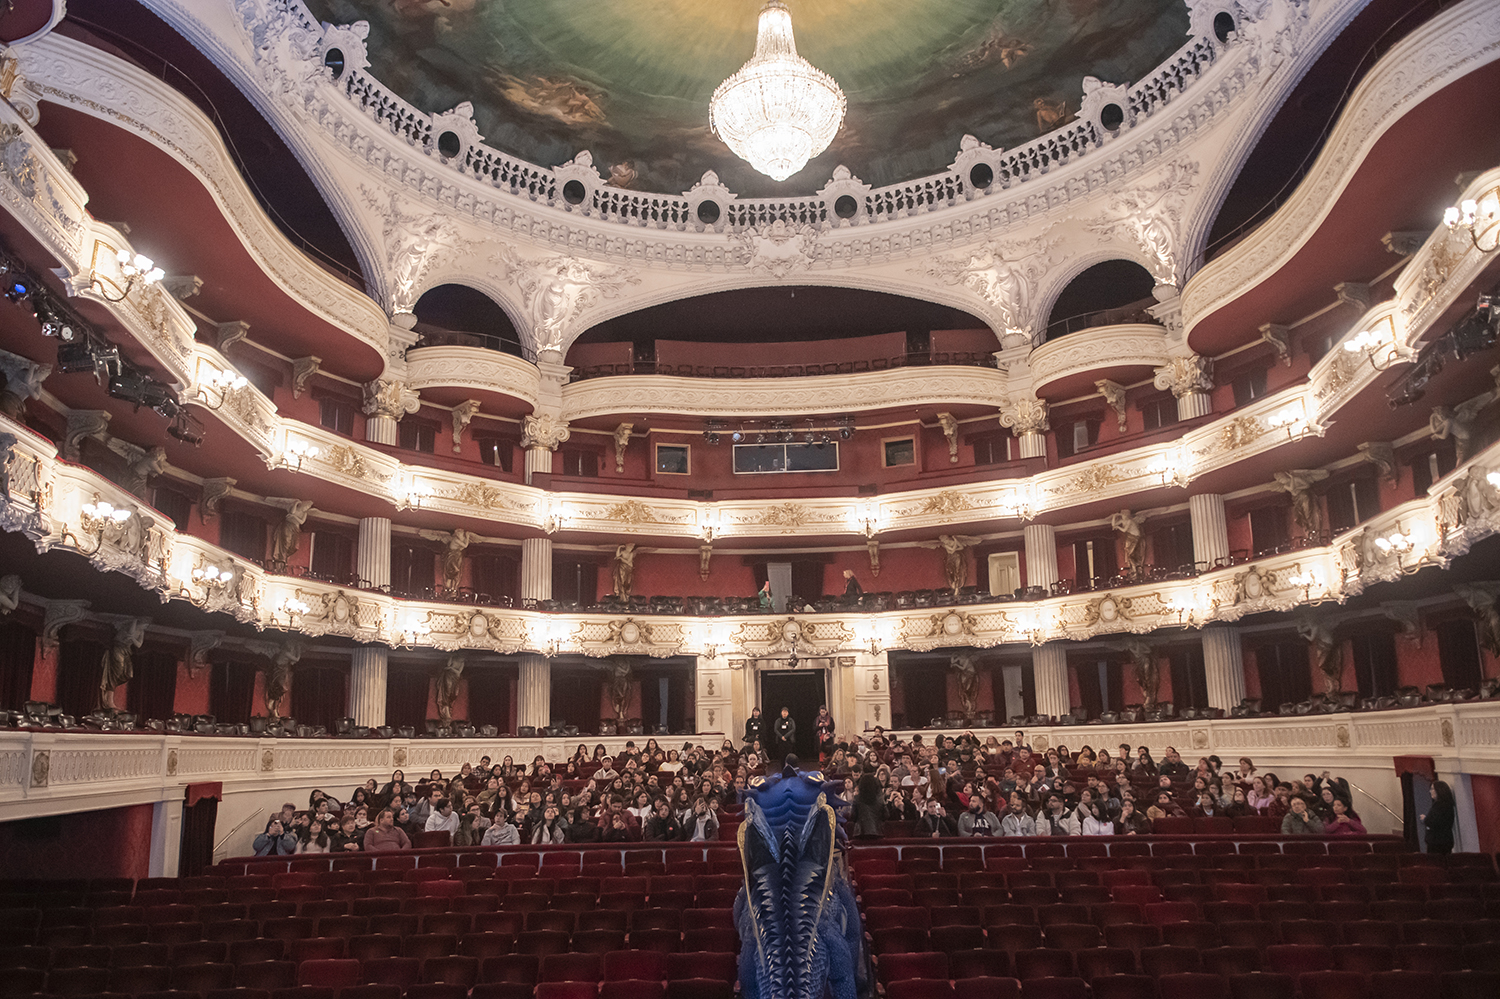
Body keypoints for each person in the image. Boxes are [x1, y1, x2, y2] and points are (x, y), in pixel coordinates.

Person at [1423, 780, 1456, 854]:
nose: (1430, 791)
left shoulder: (1439, 805)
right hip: (1446, 840)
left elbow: (1433, 822)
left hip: (1437, 841)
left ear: (1439, 790)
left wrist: (1425, 819)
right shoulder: (1448, 804)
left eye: (1432, 789)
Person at [849, 774, 885, 839]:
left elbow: (853, 816)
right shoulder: (879, 799)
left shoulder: (857, 799)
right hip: (877, 832)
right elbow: (886, 815)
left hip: (860, 833)